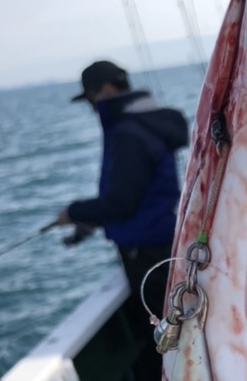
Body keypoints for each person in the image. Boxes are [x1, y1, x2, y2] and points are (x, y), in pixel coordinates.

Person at [57, 59, 189, 320]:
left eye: (90, 100)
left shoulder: (127, 134)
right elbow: (141, 192)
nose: (93, 109)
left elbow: (121, 203)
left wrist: (73, 211)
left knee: (168, 335)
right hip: (166, 245)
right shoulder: (143, 123)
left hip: (149, 258)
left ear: (106, 91)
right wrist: (95, 217)